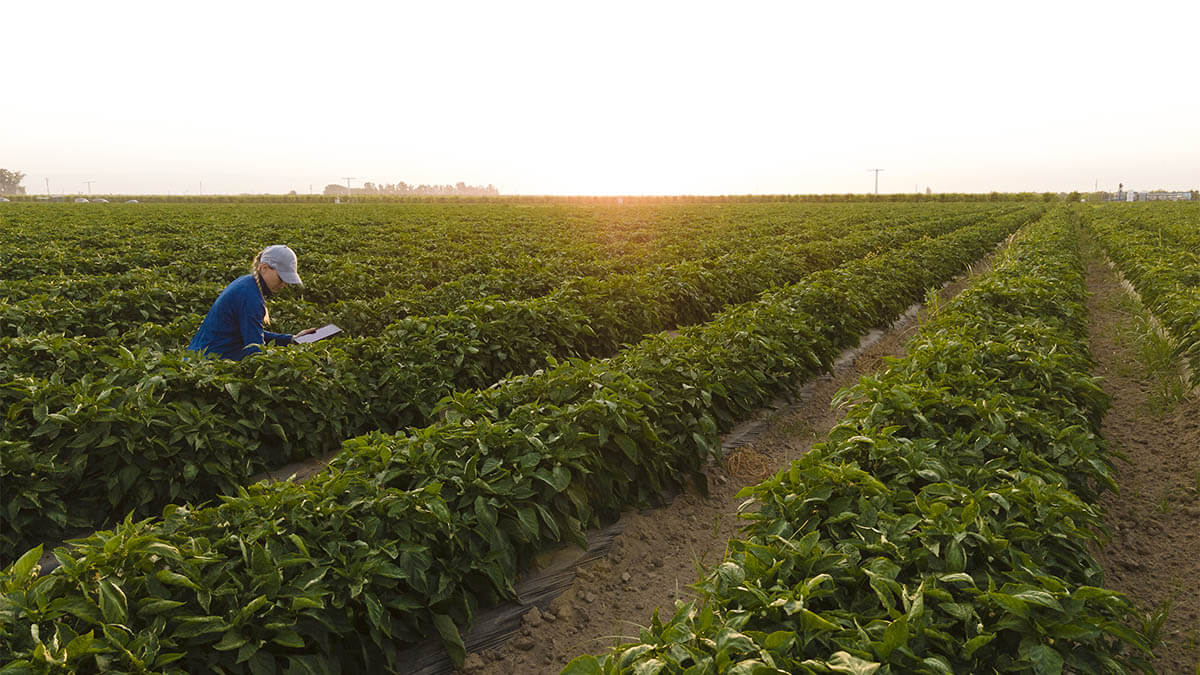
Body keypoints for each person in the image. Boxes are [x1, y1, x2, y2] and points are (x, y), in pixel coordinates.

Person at [188, 245, 317, 360]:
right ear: (264, 268)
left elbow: (251, 332)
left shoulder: (247, 283)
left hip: (198, 356)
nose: (284, 284)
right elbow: (255, 350)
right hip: (210, 362)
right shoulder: (250, 297)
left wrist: (291, 339)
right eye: (281, 278)